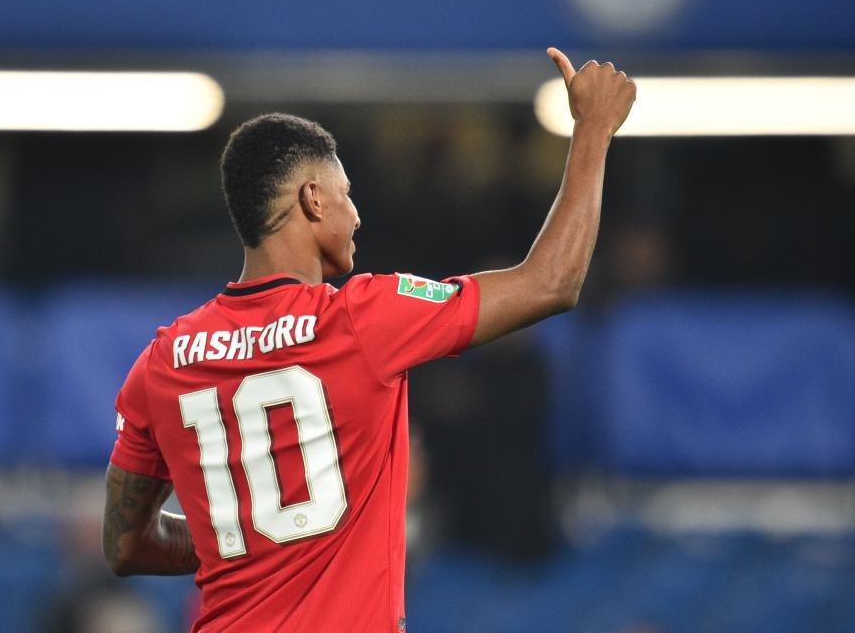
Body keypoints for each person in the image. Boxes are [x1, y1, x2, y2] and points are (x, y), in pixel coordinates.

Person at [102, 48, 635, 632]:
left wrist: (243, 541)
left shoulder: (164, 358)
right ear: (311, 199)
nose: (356, 216)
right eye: (346, 194)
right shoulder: (361, 318)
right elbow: (551, 283)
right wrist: (593, 129)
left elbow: (126, 547)